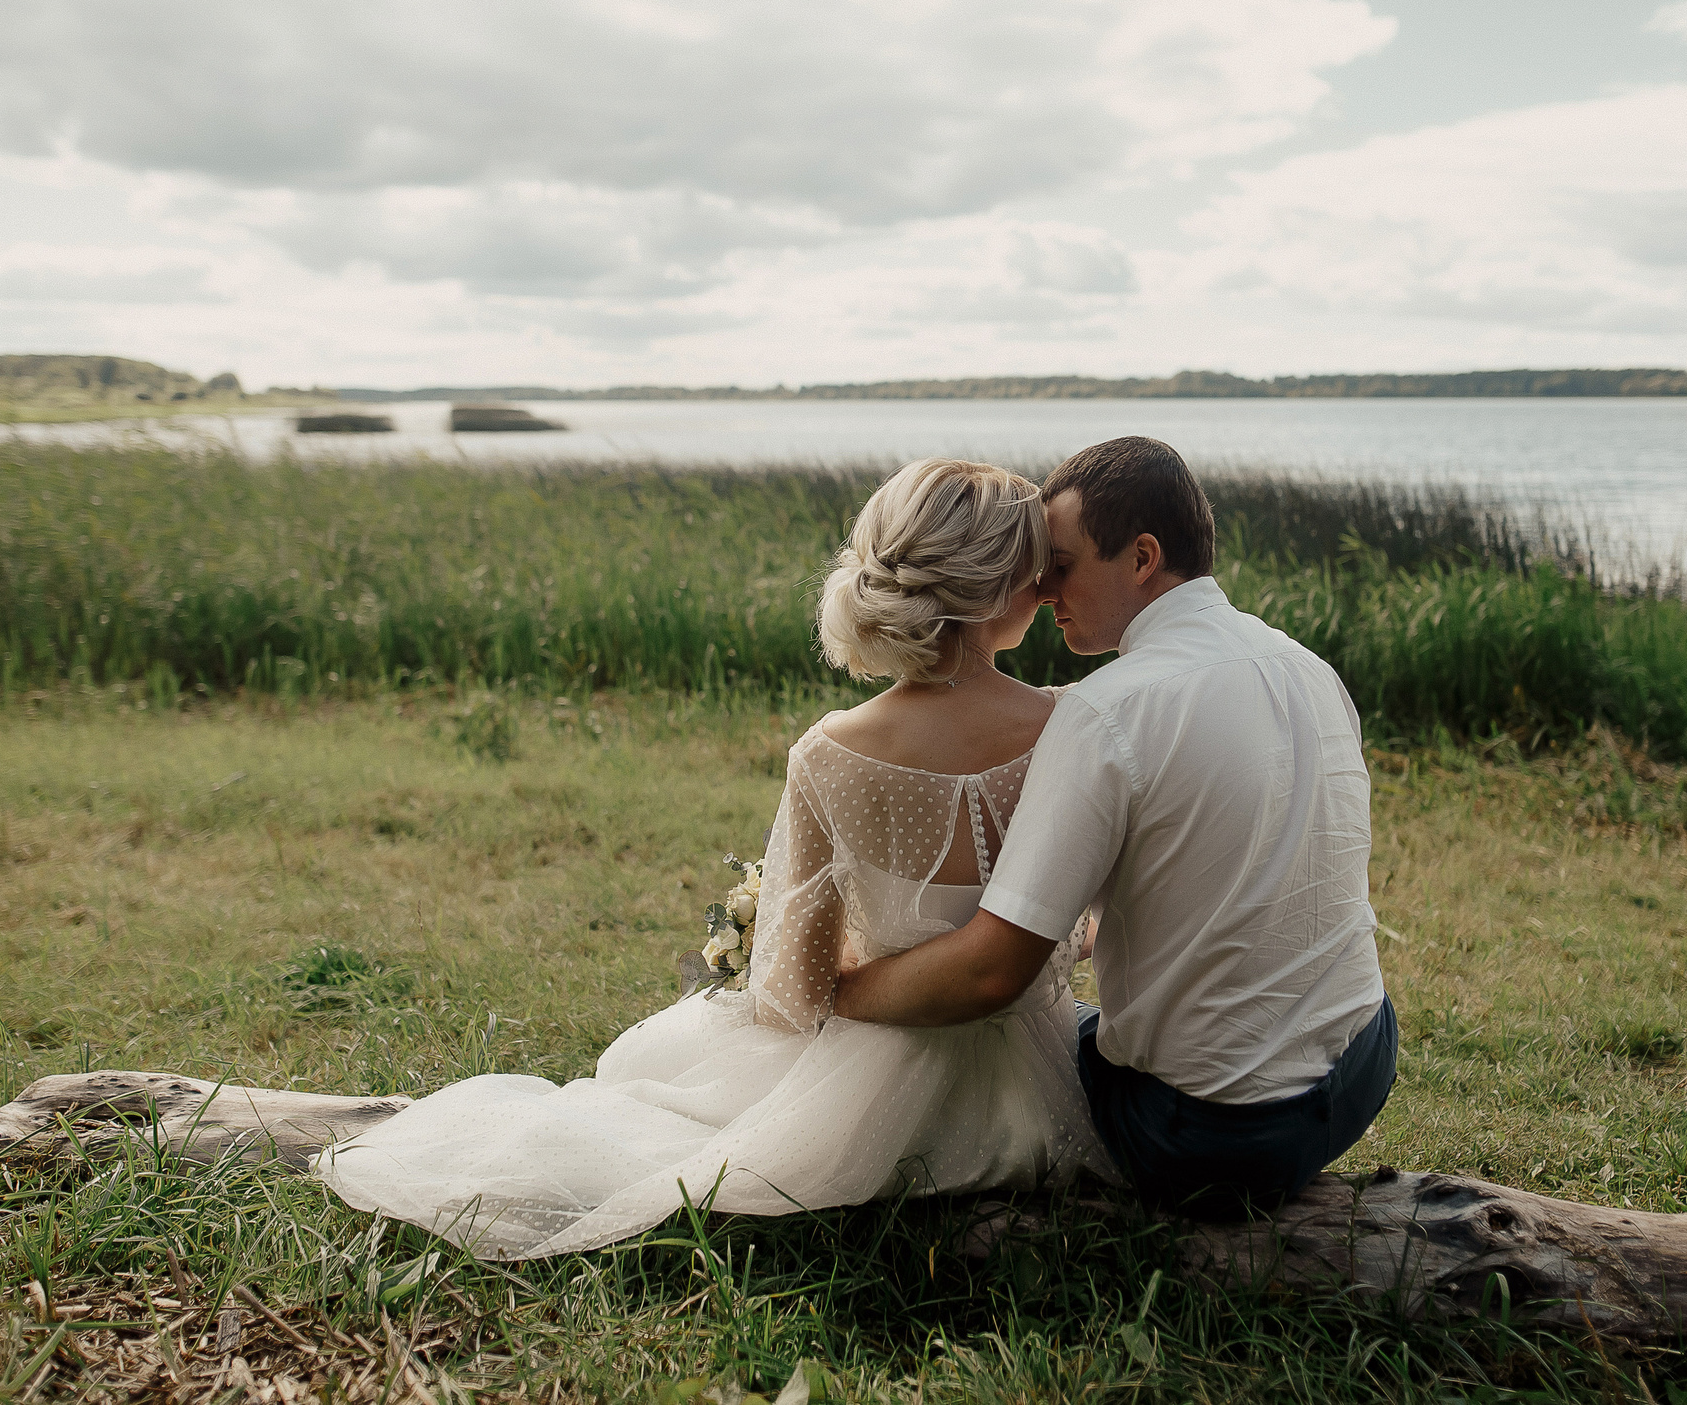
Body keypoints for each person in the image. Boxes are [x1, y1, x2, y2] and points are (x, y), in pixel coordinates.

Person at [314, 459, 1114, 1259]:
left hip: (875, 1101)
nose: (1047, 588)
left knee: (660, 1077)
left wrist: (844, 959)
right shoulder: (1069, 725)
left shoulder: (831, 754)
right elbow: (1071, 923)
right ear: (999, 587)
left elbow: (793, 997)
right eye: (1036, 567)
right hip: (1037, 1092)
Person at [833, 436, 1396, 1219]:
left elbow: (991, 973)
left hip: (1212, 1136)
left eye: (1061, 564)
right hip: (1362, 1066)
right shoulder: (1309, 667)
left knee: (1002, 1046)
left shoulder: (1107, 711)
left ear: (1141, 557)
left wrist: (842, 990)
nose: (1042, 588)